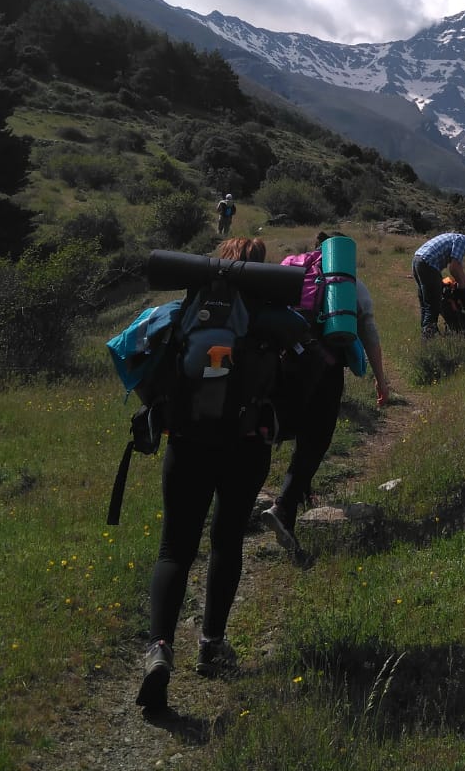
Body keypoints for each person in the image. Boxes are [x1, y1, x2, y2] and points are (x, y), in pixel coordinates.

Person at [136, 235, 280, 713]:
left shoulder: (184, 314)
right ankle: (211, 643)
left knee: (175, 546)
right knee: (227, 540)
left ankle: (159, 649)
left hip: (187, 445)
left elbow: (142, 366)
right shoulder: (267, 320)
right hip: (244, 447)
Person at [261, 232, 390, 564]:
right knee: (316, 438)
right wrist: (381, 379)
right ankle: (285, 507)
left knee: (278, 426)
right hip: (326, 367)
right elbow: (370, 334)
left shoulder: (294, 271)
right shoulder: (350, 286)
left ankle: (287, 494)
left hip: (286, 359)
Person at [412, 228, 465, 341]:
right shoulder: (462, 241)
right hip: (428, 264)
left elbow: (459, 269)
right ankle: (428, 339)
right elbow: (453, 268)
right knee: (433, 304)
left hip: (417, 260)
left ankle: (426, 334)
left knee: (426, 303)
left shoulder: (456, 238)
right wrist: (462, 287)